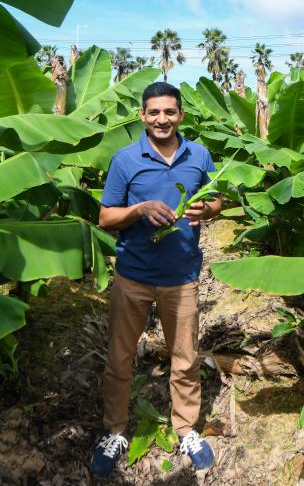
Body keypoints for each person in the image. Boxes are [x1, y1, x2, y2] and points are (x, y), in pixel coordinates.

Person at [90, 82, 223, 478]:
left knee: (185, 358)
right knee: (119, 358)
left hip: (181, 276)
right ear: (143, 116)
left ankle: (185, 428)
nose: (162, 119)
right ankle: (114, 431)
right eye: (154, 112)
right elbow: (105, 217)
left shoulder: (198, 155)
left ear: (180, 114)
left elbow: (219, 198)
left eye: (169, 112)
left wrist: (208, 210)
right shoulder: (125, 159)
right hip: (133, 275)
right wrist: (140, 208)